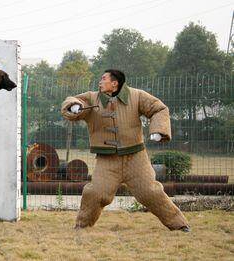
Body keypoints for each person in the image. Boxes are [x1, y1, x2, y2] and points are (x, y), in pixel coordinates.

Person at [61, 69, 190, 232]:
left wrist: (158, 129)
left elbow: (159, 109)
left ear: (114, 83)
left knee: (151, 192)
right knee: (94, 192)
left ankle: (179, 225)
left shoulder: (136, 96)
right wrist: (74, 106)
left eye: (103, 79)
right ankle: (82, 226)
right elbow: (73, 100)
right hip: (106, 160)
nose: (100, 82)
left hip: (136, 158)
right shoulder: (92, 98)